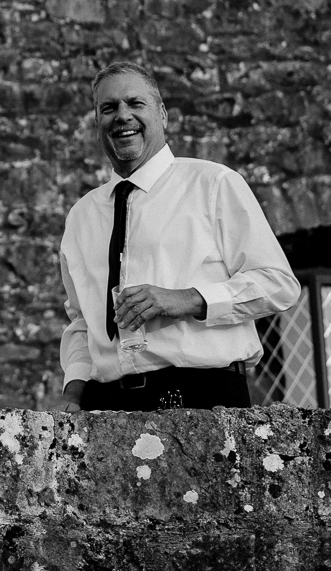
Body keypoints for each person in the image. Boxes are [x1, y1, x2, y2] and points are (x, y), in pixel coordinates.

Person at [58, 61, 299, 412]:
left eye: (135, 104)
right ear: (98, 124)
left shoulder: (213, 184)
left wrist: (188, 299)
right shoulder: (81, 216)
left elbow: (279, 284)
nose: (122, 115)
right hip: (107, 405)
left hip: (203, 394)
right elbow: (82, 322)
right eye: (109, 108)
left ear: (163, 115)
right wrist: (73, 393)